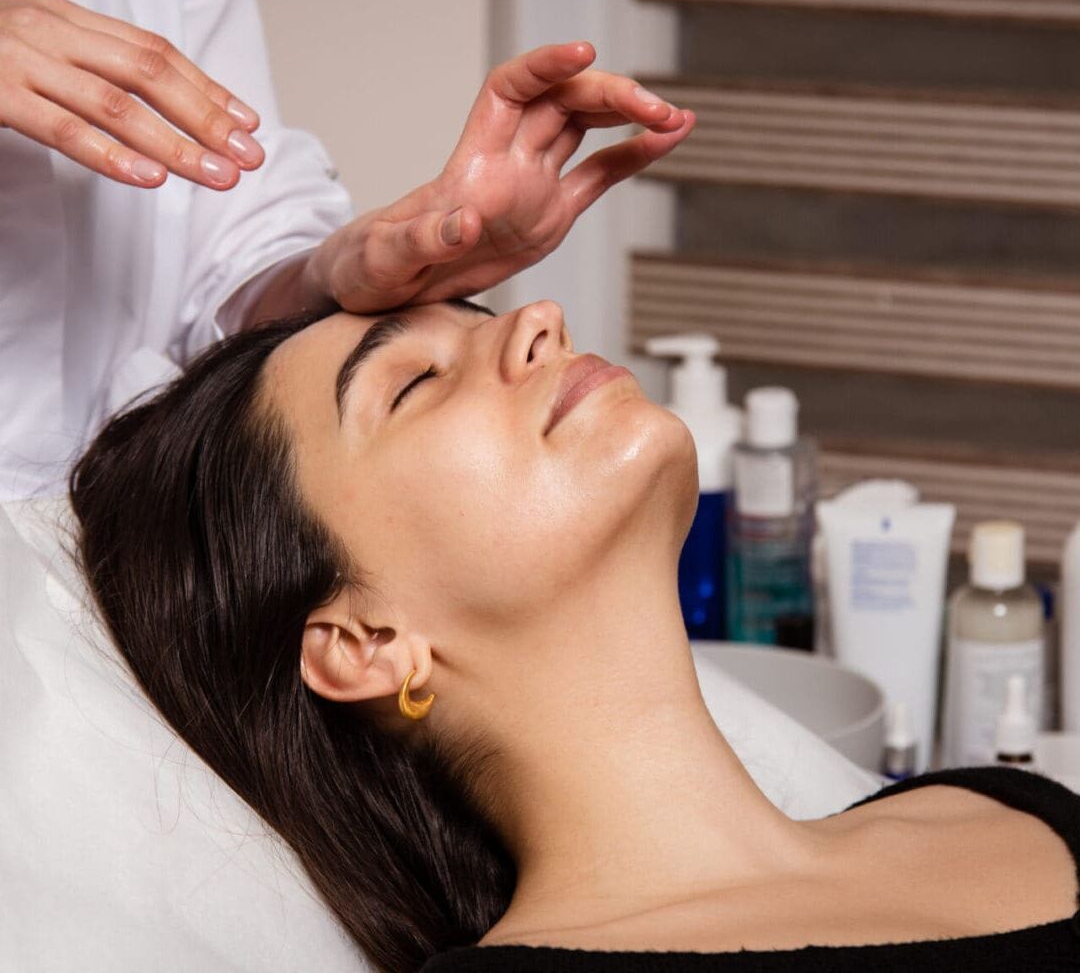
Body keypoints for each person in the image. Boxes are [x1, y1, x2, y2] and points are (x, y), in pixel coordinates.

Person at [70, 299, 1080, 973]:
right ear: (365, 642)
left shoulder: (1001, 803)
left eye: (488, 314)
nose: (537, 319)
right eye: (415, 383)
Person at [0, 0, 692, 500]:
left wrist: (341, 273)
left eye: (421, 379)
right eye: (414, 385)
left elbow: (225, 257)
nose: (542, 317)